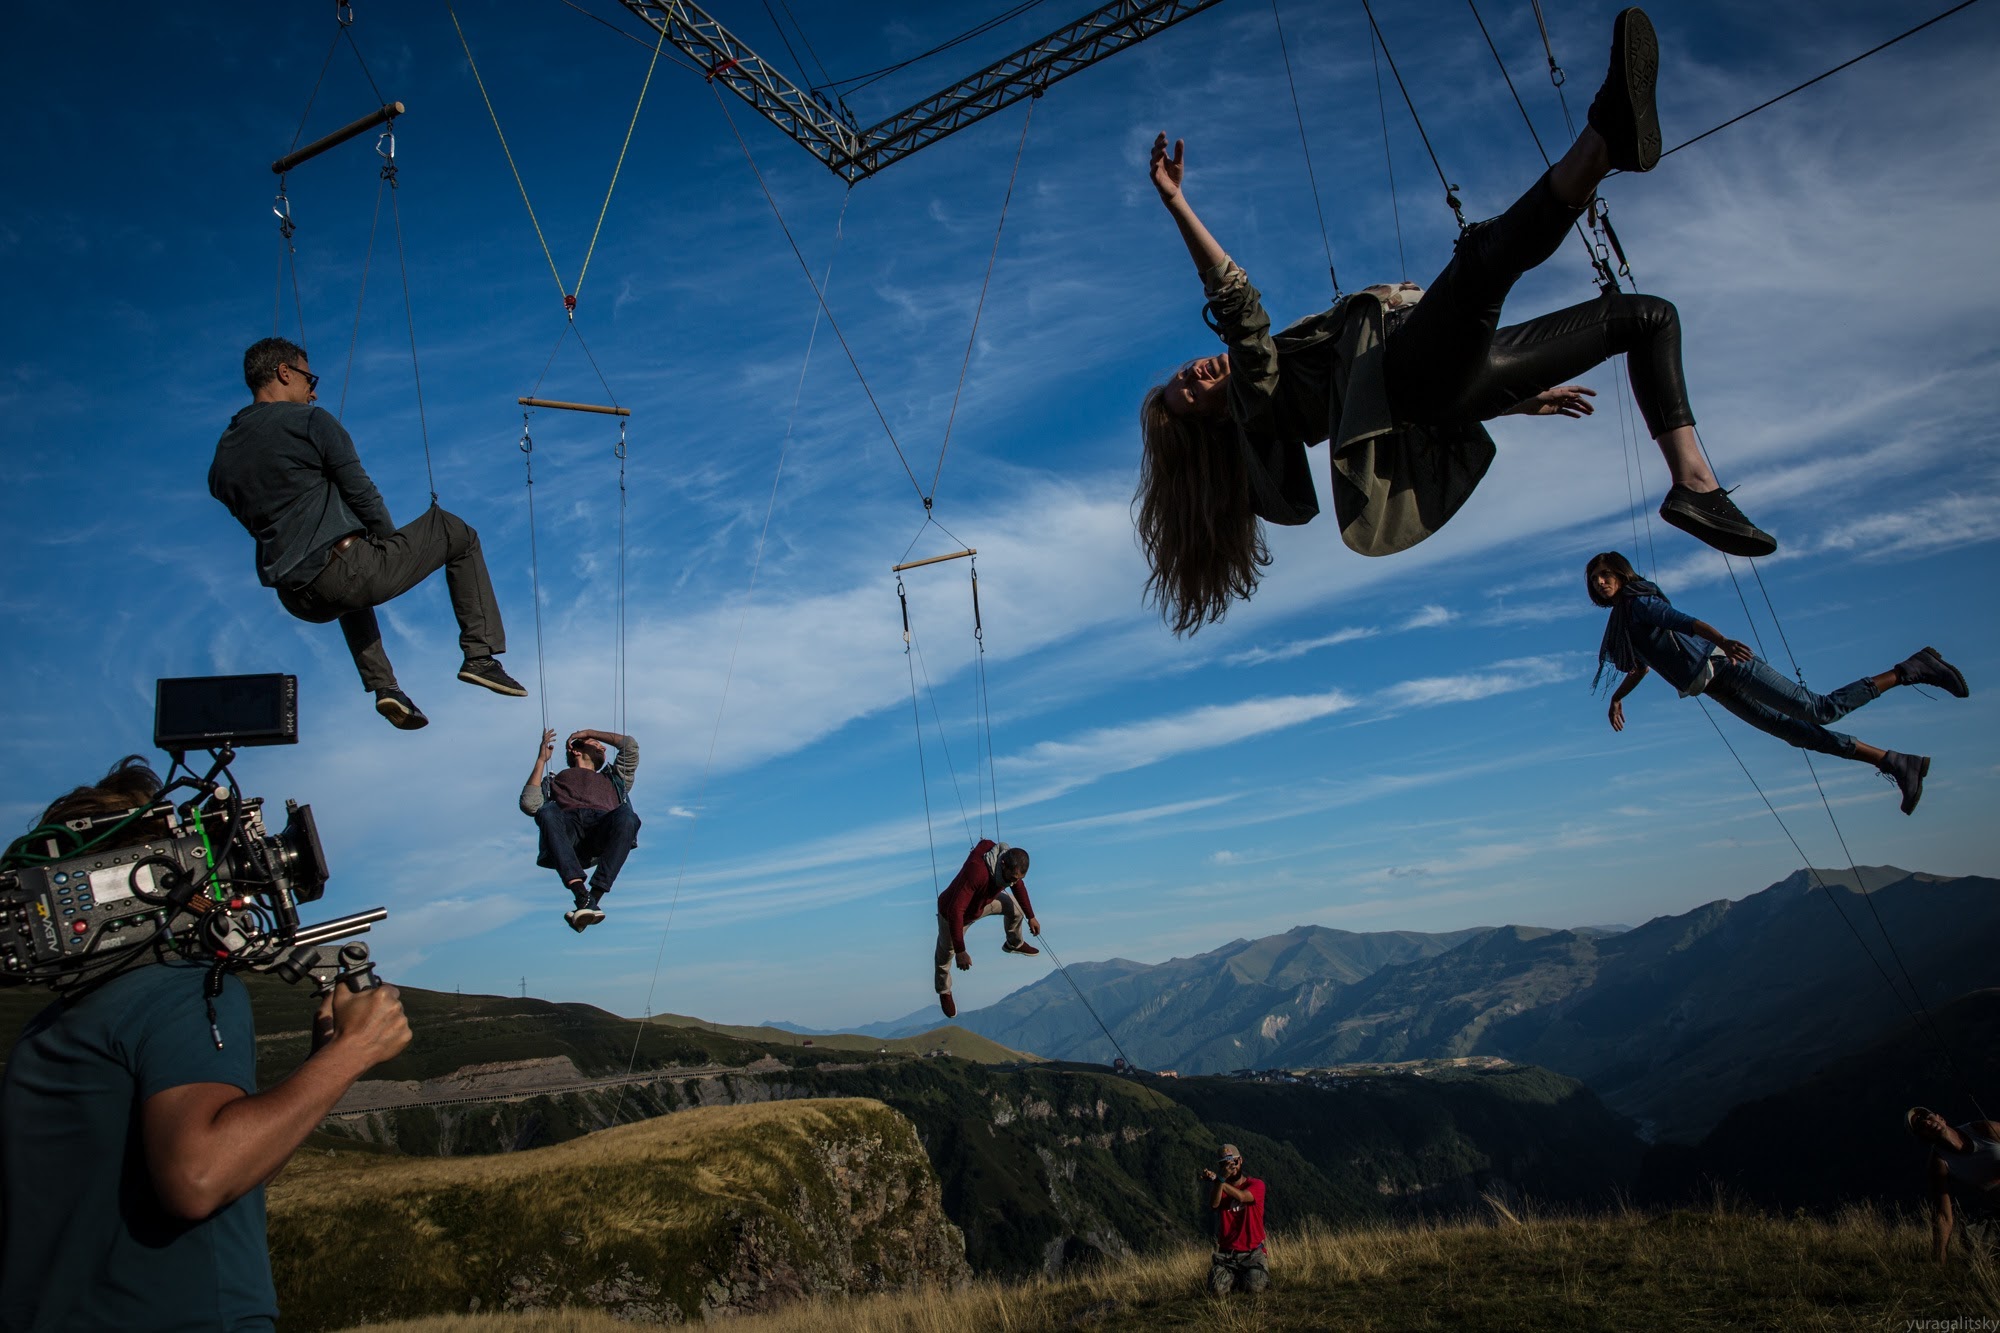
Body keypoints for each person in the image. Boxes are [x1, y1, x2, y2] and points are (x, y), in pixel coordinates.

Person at [1137, 8, 1778, 637]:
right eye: (1190, 393)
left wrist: (1515, 399)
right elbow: (1241, 312)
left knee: (1647, 318)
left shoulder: (1274, 392)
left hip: (1437, 388)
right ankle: (1603, 141)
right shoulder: (1253, 405)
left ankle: (1694, 485)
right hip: (1409, 372)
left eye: (1182, 373)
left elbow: (1416, 394)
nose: (1193, 373)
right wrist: (1176, 203)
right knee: (1482, 260)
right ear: (1213, 424)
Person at [0, 756, 413, 1332]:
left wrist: (324, 1063)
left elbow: (234, 1173)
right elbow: (200, 1180)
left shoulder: (47, 1031)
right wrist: (354, 1050)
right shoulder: (185, 991)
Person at [210, 337, 526, 730]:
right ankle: (480, 656)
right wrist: (395, 548)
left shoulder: (224, 454)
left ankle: (384, 687)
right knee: (454, 531)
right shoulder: (310, 421)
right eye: (309, 378)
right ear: (284, 372)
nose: (314, 391)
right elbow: (362, 493)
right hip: (344, 574)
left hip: (295, 597)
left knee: (345, 574)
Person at [1587, 551, 1967, 814]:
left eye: (1606, 575)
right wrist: (1617, 699)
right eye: (1595, 580)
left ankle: (1911, 669)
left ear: (1621, 574)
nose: (1602, 582)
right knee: (1795, 733)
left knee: (1818, 710)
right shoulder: (1622, 623)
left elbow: (1682, 621)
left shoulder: (1637, 603)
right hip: (1715, 688)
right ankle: (1894, 761)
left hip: (1727, 666)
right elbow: (1640, 669)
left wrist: (1722, 641)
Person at [520, 726, 641, 932]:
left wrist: (589, 734)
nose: (603, 747)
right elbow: (530, 805)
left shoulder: (614, 778)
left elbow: (629, 746)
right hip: (568, 830)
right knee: (547, 811)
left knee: (628, 817)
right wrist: (541, 761)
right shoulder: (555, 781)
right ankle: (581, 894)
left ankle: (590, 898)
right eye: (596, 744)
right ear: (576, 750)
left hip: (600, 829)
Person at [934, 839, 1039, 1019]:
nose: (1014, 882)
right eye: (1013, 878)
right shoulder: (977, 872)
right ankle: (944, 990)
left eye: (1018, 879)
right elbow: (955, 910)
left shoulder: (1009, 866)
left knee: (1016, 910)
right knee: (945, 957)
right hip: (952, 915)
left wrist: (1031, 916)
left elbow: (1018, 887)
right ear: (1003, 864)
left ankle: (1013, 943)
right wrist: (961, 951)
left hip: (980, 905)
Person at [1906, 1106, 2000, 1264]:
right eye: (1921, 1126)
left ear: (1940, 1118)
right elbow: (1943, 1215)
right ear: (1924, 1138)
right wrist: (1939, 1260)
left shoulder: (1983, 1129)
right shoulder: (1939, 1163)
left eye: (1927, 1117)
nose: (1927, 1123)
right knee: (1973, 1238)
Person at [1200, 1143, 1269, 1295]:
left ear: (1241, 1160)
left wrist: (1218, 1179)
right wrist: (1219, 1181)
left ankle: (1244, 1278)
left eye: (1234, 1162)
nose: (1232, 1167)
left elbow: (1243, 1197)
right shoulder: (1220, 1187)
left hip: (1252, 1253)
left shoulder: (1257, 1184)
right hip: (1227, 1254)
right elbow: (1214, 1204)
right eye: (1226, 1164)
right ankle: (1235, 1279)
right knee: (1216, 1290)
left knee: (1255, 1287)